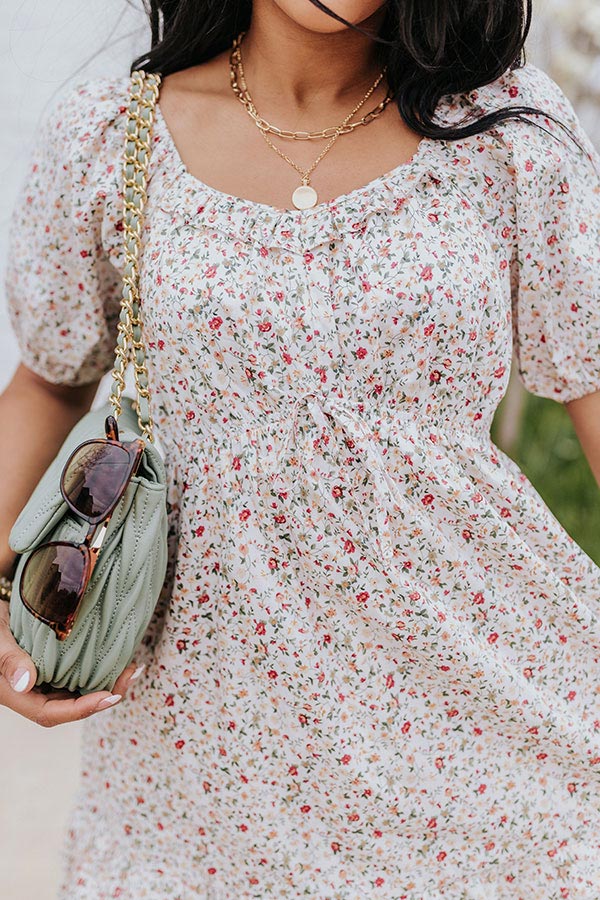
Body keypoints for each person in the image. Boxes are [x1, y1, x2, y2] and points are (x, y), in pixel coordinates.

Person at [1, 0, 600, 897]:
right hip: (201, 758)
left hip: (481, 725)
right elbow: (52, 378)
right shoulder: (110, 136)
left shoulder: (510, 133)